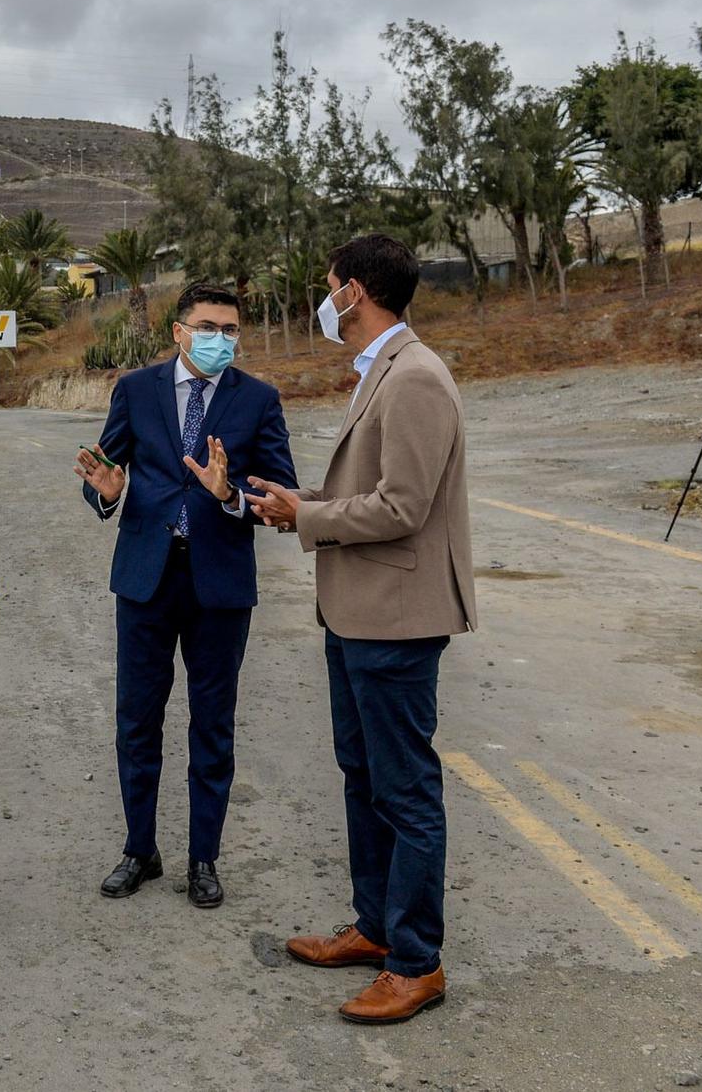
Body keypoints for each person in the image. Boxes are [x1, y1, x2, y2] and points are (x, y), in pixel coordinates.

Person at [246, 234, 476, 1026]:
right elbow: (369, 491)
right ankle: (377, 928)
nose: (325, 298)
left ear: (355, 291)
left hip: (396, 618)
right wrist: (293, 500)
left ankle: (416, 962)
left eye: (329, 285)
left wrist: (306, 514)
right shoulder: (381, 368)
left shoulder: (414, 377)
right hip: (357, 612)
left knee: (405, 789)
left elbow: (402, 507)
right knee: (364, 775)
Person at [74, 281, 296, 908]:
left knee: (213, 725)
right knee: (137, 722)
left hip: (219, 585)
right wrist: (107, 494)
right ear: (178, 331)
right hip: (146, 579)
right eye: (207, 326)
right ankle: (139, 849)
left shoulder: (258, 400)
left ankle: (204, 857)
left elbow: (281, 497)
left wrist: (229, 496)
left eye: (230, 330)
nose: (220, 339)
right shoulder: (137, 391)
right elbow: (104, 472)